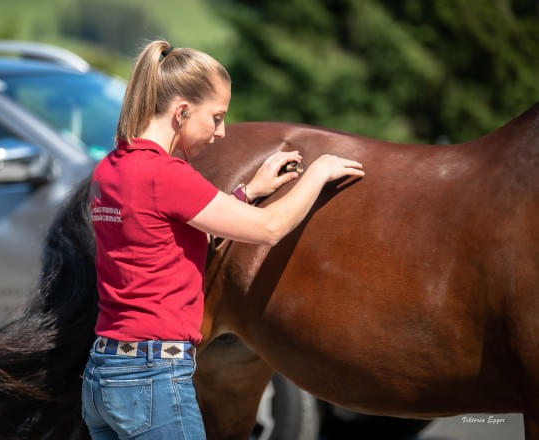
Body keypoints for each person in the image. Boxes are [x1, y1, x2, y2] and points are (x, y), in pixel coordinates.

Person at [82, 40, 365, 440]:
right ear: (181, 112)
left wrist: (246, 193)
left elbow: (161, 231)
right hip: (154, 378)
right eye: (215, 118)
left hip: (103, 374)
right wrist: (318, 173)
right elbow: (269, 228)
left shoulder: (109, 169)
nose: (221, 132)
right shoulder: (167, 175)